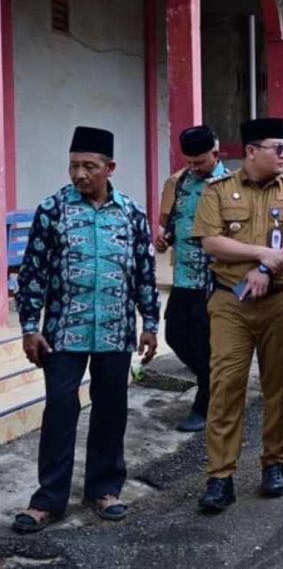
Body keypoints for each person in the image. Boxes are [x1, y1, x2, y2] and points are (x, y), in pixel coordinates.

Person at [12, 126, 160, 533]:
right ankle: (48, 500)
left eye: (89, 166)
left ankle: (104, 489)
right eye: (74, 165)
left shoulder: (130, 213)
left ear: (109, 168)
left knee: (111, 410)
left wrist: (150, 323)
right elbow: (33, 274)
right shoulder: (53, 210)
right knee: (61, 409)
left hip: (115, 331)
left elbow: (144, 271)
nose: (79, 173)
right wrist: (29, 326)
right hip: (63, 332)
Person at [191, 118, 283, 512]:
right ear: (251, 151)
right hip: (231, 303)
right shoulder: (218, 191)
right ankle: (220, 475)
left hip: (281, 300)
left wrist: (266, 270)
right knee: (226, 385)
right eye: (276, 148)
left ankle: (275, 463)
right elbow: (210, 240)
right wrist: (260, 254)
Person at [155, 126, 227, 432]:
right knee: (175, 336)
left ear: (216, 153)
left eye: (200, 162)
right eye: (190, 162)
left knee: (207, 344)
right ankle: (214, 383)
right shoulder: (177, 182)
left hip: (217, 281)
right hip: (183, 277)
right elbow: (168, 224)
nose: (194, 168)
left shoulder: (232, 184)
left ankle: (205, 403)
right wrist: (163, 239)